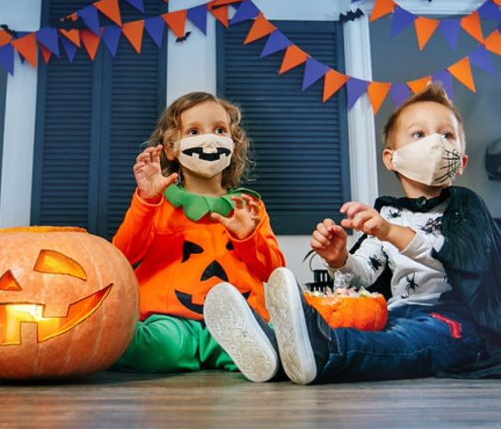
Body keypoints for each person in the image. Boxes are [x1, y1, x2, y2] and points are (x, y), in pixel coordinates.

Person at [204, 83, 501, 384]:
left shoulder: (465, 208)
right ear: (391, 158)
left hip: (453, 321)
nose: (435, 142)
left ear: (461, 162)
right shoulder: (387, 213)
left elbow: (449, 257)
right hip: (397, 312)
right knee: (360, 329)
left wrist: (389, 232)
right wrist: (340, 259)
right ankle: (275, 348)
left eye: (447, 134)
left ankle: (327, 350)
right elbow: (365, 275)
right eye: (419, 134)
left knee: (402, 345)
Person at [112, 91, 285, 374]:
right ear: (171, 148)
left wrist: (247, 238)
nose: (209, 139)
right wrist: (146, 201)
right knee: (158, 347)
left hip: (236, 320)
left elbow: (273, 271)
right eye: (194, 131)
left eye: (219, 130)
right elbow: (123, 256)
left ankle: (263, 352)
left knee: (251, 344)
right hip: (171, 319)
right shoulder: (156, 201)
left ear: (232, 142)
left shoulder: (249, 206)